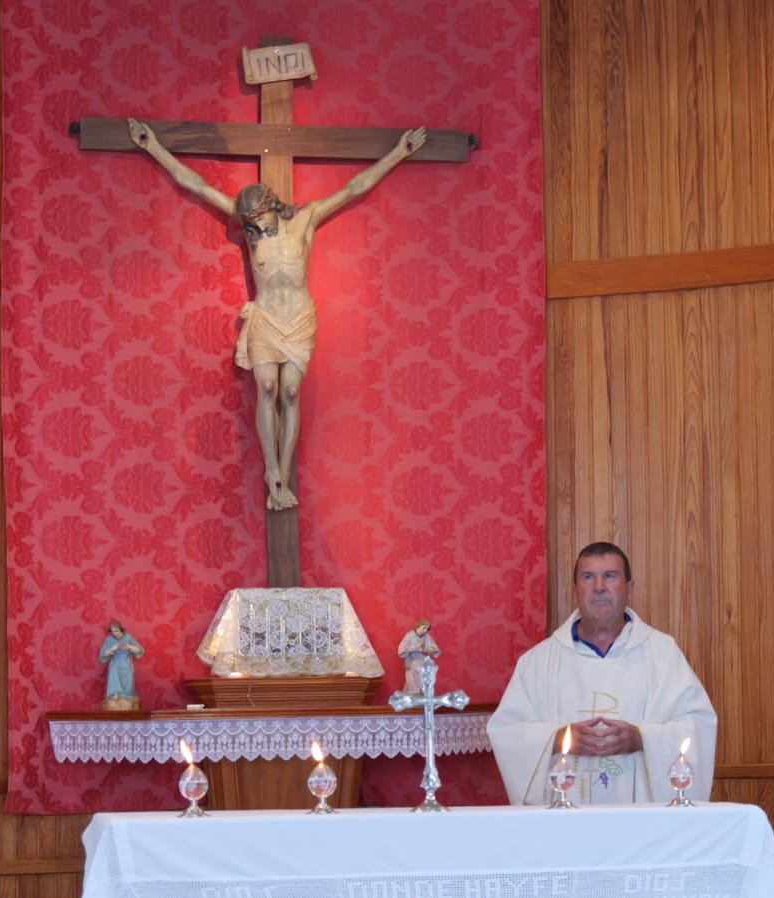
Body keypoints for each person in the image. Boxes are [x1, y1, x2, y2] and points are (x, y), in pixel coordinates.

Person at [127, 118, 427, 510]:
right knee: (267, 388)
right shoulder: (251, 227)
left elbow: (354, 188)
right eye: (249, 223)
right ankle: (273, 472)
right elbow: (198, 186)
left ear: (271, 207)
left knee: (290, 392)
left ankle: (283, 473)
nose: (254, 228)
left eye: (259, 220)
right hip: (266, 319)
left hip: (298, 318)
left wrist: (398, 154)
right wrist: (153, 147)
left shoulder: (305, 219)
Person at [487, 541, 718, 805]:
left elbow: (698, 726)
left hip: (639, 816)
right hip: (565, 817)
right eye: (588, 577)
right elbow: (507, 731)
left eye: (610, 576)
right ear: (575, 590)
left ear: (629, 588)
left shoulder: (663, 654)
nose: (599, 586)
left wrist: (642, 739)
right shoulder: (538, 662)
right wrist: (558, 738)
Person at [99, 620, 145, 708]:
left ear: (121, 630)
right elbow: (103, 654)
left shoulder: (128, 637)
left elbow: (140, 650)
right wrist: (111, 649)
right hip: (115, 662)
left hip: (126, 662)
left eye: (116, 631)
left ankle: (127, 695)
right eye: (112, 631)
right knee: (113, 673)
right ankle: (115, 694)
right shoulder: (110, 639)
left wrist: (129, 647)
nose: (114, 633)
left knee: (128, 682)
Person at [397, 619, 442, 693]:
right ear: (418, 626)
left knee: (422, 682)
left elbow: (435, 649)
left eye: (427, 629)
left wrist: (425, 648)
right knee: (412, 683)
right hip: (411, 661)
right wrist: (415, 647)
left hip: (421, 661)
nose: (425, 630)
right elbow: (401, 651)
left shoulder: (426, 636)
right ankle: (413, 695)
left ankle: (420, 695)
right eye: (424, 628)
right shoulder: (409, 635)